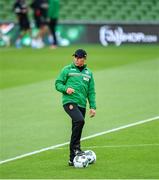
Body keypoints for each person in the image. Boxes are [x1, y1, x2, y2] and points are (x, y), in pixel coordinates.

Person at [55, 49, 96, 166]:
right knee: (80, 120)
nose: (77, 60)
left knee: (76, 127)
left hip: (82, 104)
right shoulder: (67, 69)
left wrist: (93, 107)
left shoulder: (89, 73)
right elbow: (58, 83)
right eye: (75, 57)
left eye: (79, 58)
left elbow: (91, 91)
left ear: (84, 58)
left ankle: (71, 159)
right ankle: (76, 148)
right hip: (69, 102)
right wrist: (65, 89)